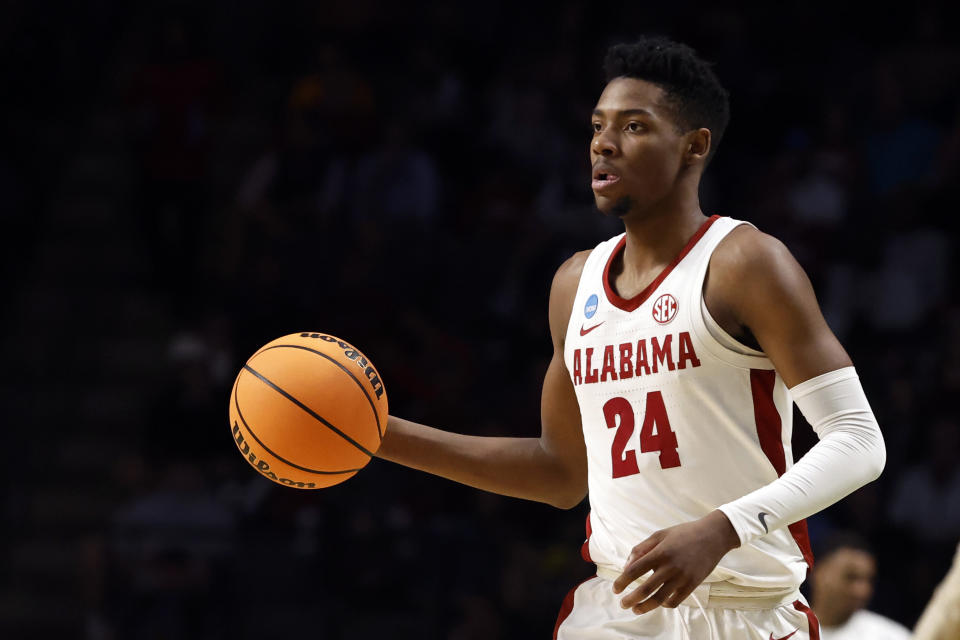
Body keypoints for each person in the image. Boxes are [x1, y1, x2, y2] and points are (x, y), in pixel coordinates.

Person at [375, 36, 886, 639]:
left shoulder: (745, 263)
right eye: (597, 126)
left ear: (694, 146)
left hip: (742, 610)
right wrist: (380, 435)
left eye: (634, 126)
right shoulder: (574, 283)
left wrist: (721, 528)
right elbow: (561, 473)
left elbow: (858, 441)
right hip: (618, 610)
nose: (603, 143)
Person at [809, 532, 909, 639]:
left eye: (869, 580)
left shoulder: (889, 636)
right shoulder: (791, 629)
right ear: (819, 573)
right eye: (851, 577)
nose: (862, 591)